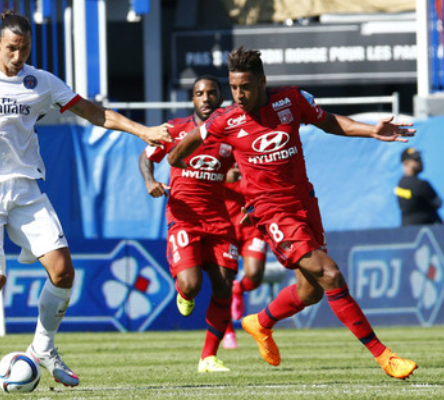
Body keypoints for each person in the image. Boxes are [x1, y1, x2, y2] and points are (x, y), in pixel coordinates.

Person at [0, 10, 171, 394]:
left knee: (63, 272)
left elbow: (92, 111)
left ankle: (44, 346)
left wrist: (145, 131)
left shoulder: (41, 82)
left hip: (25, 190)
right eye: (11, 48)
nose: (17, 57)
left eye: (24, 49)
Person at [168, 47, 418, 380]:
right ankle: (384, 356)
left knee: (310, 291)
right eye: (233, 88)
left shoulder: (291, 99)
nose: (238, 95)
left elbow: (328, 122)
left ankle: (260, 322)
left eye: (245, 87)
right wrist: (186, 167)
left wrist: (371, 129)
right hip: (271, 213)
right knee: (330, 274)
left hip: (304, 204)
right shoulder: (224, 120)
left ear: (262, 81)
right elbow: (176, 155)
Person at [139, 76, 237, 373]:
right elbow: (146, 158)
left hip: (219, 220)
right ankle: (184, 292)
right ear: (192, 99)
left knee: (224, 286)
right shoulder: (176, 130)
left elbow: (245, 169)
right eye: (199, 93)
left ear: (221, 97)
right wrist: (150, 181)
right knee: (192, 285)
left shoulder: (232, 133)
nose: (205, 98)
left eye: (211, 93)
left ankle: (208, 357)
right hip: (184, 219)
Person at [221, 162, 268, 349]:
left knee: (255, 275)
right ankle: (228, 332)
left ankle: (239, 289)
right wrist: (224, 176)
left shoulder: (252, 145)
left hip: (252, 228)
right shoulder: (217, 149)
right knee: (222, 283)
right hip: (225, 228)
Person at [395, 147, 443, 226]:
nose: (421, 162)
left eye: (420, 158)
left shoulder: (400, 184)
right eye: (416, 159)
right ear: (405, 163)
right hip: (429, 232)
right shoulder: (421, 184)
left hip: (407, 231)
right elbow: (438, 203)